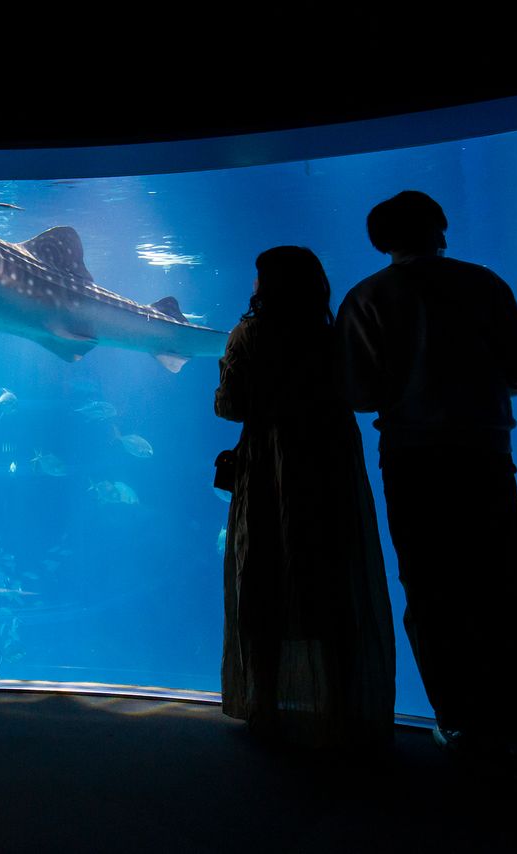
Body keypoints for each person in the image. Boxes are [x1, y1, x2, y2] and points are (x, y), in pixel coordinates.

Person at [335, 190, 517, 789]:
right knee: (503, 595)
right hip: (484, 459)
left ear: (379, 241)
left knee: (430, 590)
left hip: (412, 463)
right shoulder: (484, 285)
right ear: (441, 229)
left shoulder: (366, 298)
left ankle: (460, 726)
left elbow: (359, 393)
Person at [215, 246, 395, 750]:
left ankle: (265, 706)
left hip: (269, 468)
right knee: (332, 579)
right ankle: (340, 708)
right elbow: (361, 393)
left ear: (264, 286)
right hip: (328, 467)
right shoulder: (332, 335)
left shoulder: (248, 334)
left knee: (263, 577)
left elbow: (229, 406)